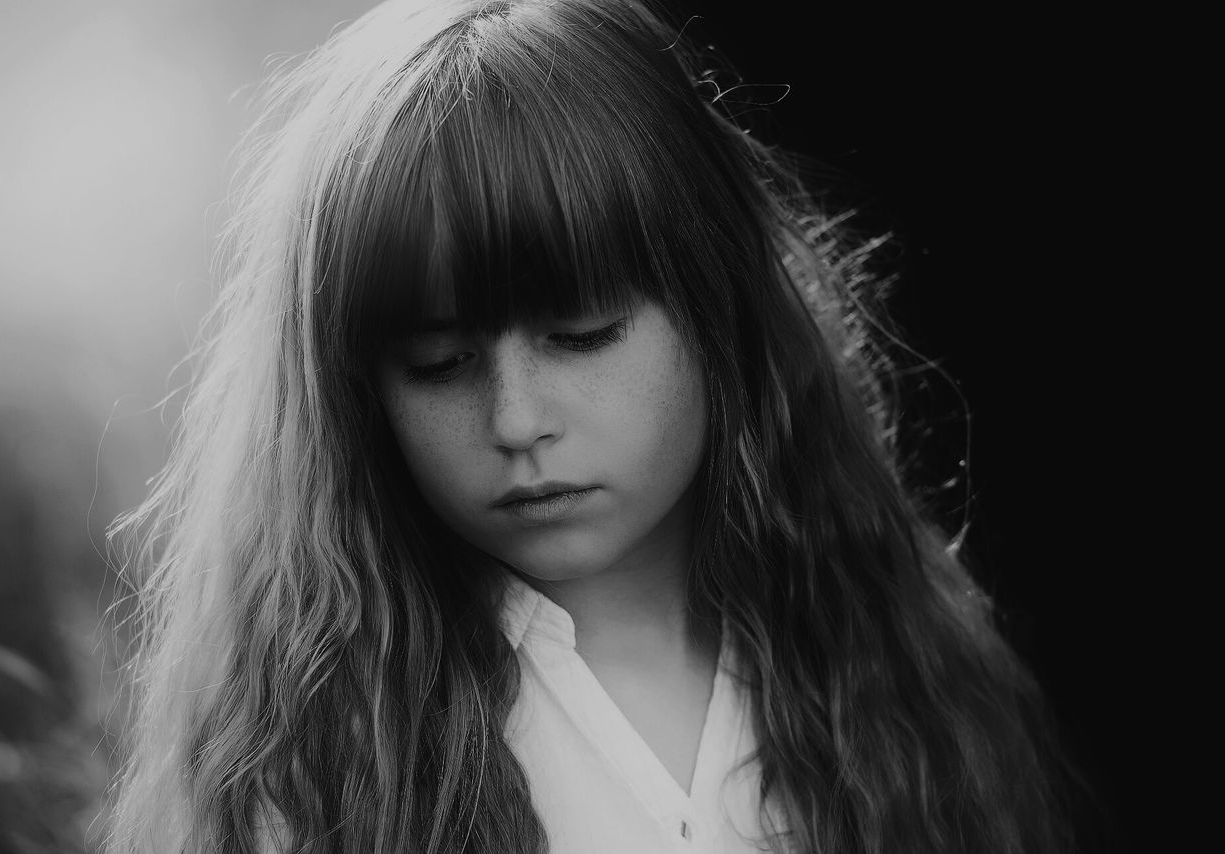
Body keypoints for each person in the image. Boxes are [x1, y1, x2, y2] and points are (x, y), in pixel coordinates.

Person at [106, 0, 1075, 851]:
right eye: (438, 364)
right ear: (359, 390)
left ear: (714, 306)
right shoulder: (317, 760)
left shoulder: (900, 688)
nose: (516, 419)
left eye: (581, 335)